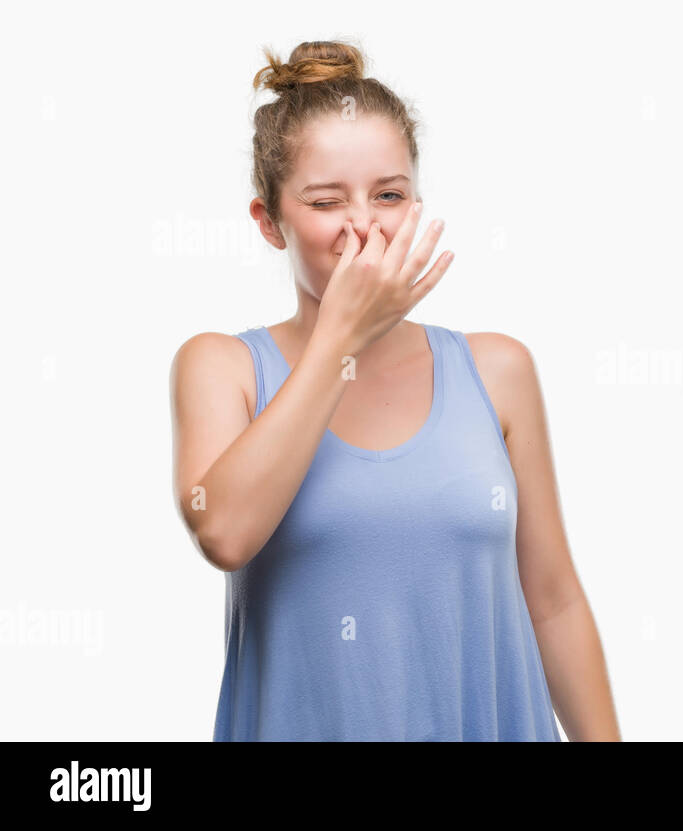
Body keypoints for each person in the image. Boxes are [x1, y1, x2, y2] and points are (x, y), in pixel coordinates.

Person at [169, 39, 619, 741]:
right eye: (325, 201)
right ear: (269, 221)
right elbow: (224, 530)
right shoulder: (221, 367)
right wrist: (338, 341)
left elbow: (553, 602)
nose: (364, 224)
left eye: (389, 195)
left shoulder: (496, 370)